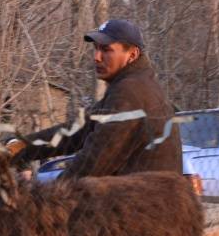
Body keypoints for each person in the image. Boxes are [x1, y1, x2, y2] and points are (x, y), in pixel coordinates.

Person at [9, 19, 181, 178]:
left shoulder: (131, 92)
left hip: (143, 205)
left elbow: (95, 161)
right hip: (140, 199)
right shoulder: (133, 85)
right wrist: (23, 147)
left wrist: (49, 198)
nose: (97, 57)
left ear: (132, 55)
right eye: (96, 48)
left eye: (106, 50)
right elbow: (79, 131)